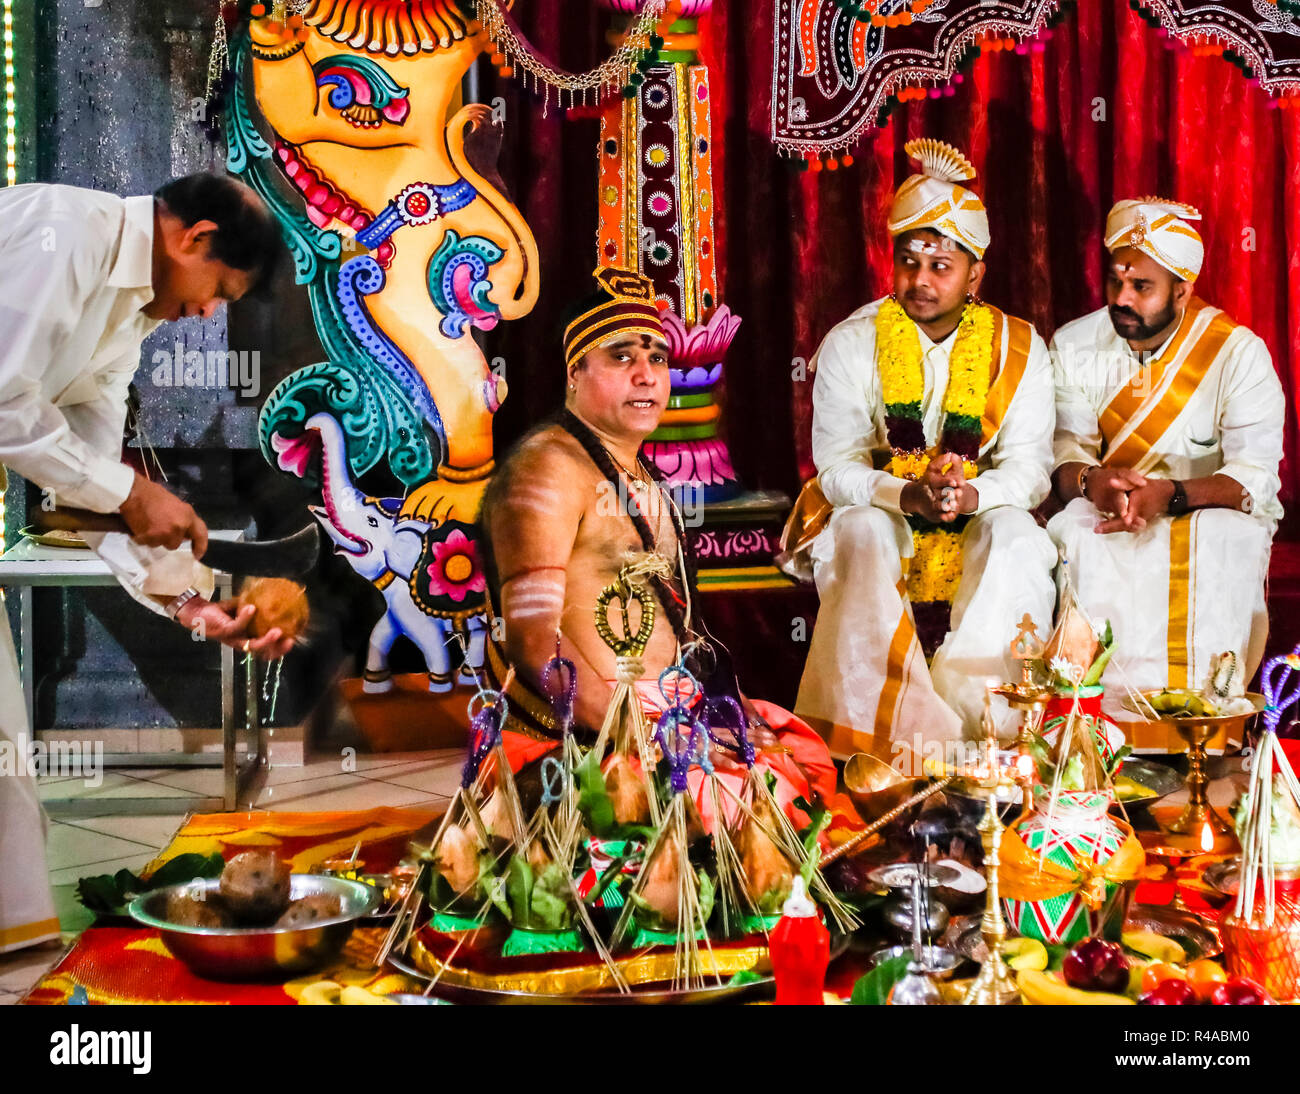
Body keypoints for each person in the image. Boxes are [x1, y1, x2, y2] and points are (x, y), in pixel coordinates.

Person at [0, 173, 293, 953]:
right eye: (217, 290)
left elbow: (85, 475)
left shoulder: (128, 311)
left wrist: (190, 604)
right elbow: (2, 400)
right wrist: (131, 491)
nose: (205, 313)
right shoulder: (68, 232)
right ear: (192, 237)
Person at [478, 266, 851, 830]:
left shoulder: (643, 474)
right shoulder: (546, 468)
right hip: (591, 732)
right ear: (575, 373)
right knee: (761, 813)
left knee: (801, 762)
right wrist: (648, 737)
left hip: (668, 708)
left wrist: (720, 707)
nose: (647, 375)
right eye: (622, 357)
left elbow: (681, 625)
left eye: (657, 358)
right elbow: (533, 643)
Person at [786, 139, 1056, 766]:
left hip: (978, 507)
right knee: (860, 529)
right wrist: (905, 493)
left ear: (975, 274)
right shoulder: (853, 343)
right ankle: (887, 735)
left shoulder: (1021, 348)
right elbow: (836, 466)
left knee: (1016, 534)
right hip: (886, 505)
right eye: (909, 262)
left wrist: (970, 494)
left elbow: (1031, 469)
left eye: (942, 266)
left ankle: (987, 723)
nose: (921, 280)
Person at [1047, 197, 1284, 750]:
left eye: (1142, 287)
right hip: (1109, 502)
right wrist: (1093, 483)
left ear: (1182, 288)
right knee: (1080, 531)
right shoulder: (1075, 344)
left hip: (1204, 507)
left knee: (1223, 538)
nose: (1122, 300)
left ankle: (1203, 735)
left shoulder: (1237, 354)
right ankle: (1093, 736)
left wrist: (1172, 495)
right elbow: (1063, 455)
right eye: (1114, 283)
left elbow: (1254, 478)